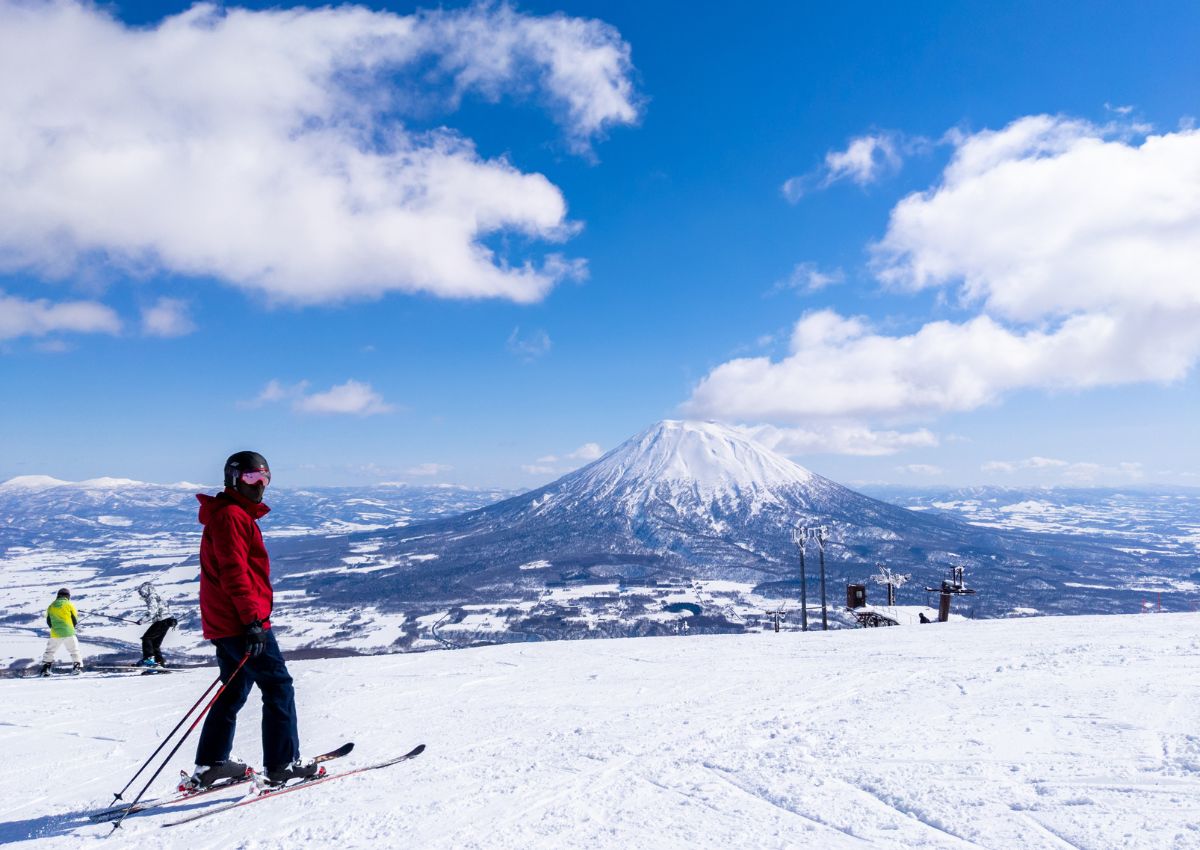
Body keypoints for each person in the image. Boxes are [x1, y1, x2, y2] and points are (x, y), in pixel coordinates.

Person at [188, 451, 319, 789]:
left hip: (226, 622)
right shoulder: (232, 516)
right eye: (250, 478)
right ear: (233, 479)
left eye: (265, 478)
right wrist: (253, 622)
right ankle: (282, 765)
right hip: (241, 622)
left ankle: (212, 764)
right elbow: (234, 573)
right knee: (278, 686)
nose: (259, 485)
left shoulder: (231, 515)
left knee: (233, 690)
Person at [40, 588, 82, 675]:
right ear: (68, 596)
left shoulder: (51, 606)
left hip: (55, 633)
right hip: (69, 632)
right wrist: (71, 626)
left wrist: (56, 628)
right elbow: (74, 619)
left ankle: (45, 670)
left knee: (50, 651)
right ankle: (77, 668)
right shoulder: (69, 605)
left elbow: (49, 621)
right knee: (74, 651)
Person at [136, 582, 177, 667]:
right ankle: (159, 665)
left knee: (147, 638)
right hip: (168, 621)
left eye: (141, 592)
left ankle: (149, 659)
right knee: (155, 645)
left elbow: (152, 611)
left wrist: (142, 621)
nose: (141, 595)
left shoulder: (152, 597)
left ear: (146, 590)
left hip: (161, 621)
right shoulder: (159, 596)